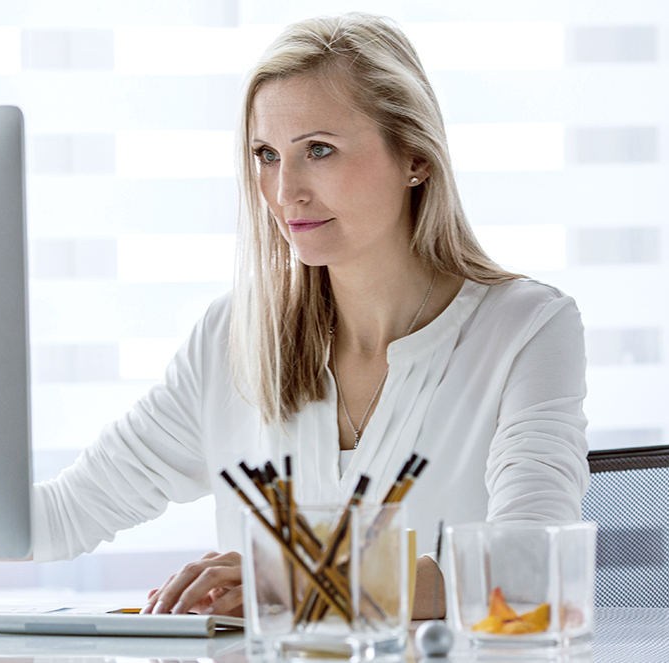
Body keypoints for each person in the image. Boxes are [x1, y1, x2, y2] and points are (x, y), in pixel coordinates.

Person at [30, 12, 589, 619]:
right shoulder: (232, 337)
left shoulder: (527, 330)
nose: (283, 190)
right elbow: (60, 518)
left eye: (318, 150)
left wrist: (296, 577)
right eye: (266, 155)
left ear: (416, 159)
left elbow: (533, 569)